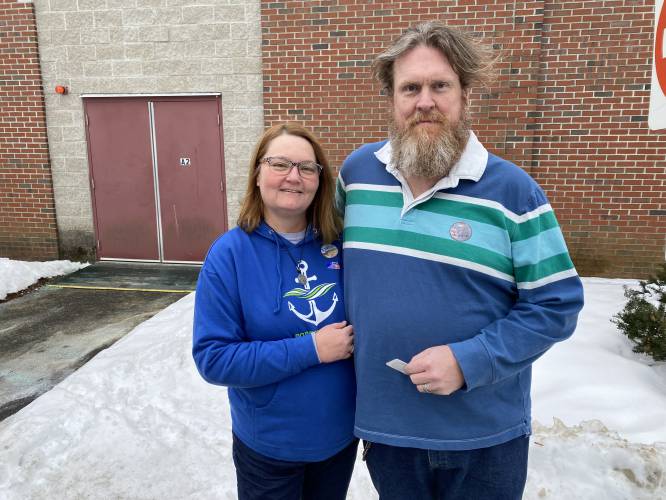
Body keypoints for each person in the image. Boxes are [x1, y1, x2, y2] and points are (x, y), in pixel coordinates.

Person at [336, 21, 585, 499]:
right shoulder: (358, 177)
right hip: (389, 431)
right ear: (392, 98)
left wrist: (471, 360)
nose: (424, 101)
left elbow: (556, 303)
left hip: (485, 439)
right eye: (410, 87)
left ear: (465, 94)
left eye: (440, 85)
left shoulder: (513, 192)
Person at [193, 122, 357, 500]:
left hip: (338, 442)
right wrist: (311, 349)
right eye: (280, 164)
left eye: (306, 168)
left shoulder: (342, 247)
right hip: (269, 449)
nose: (293, 177)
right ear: (257, 173)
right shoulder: (229, 255)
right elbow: (214, 359)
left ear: (320, 180)